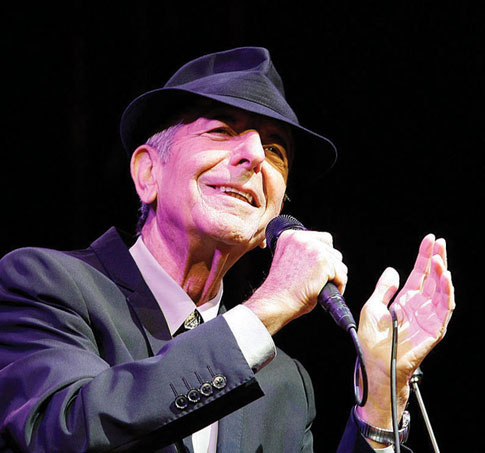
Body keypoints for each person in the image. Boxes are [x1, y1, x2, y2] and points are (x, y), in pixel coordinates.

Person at [0, 47, 454, 452]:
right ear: (148, 173)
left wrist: (380, 400)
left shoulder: (284, 385)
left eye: (275, 150)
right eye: (221, 130)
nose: (255, 156)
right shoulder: (46, 284)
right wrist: (267, 308)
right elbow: (59, 432)